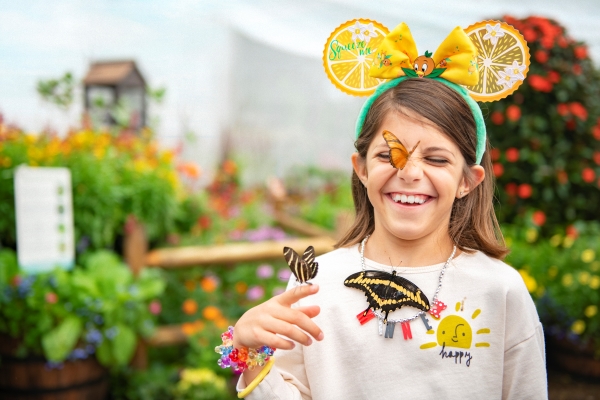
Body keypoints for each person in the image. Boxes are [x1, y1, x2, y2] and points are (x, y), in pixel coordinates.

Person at [220, 21, 547, 399]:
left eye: (437, 159)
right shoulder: (314, 284)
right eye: (389, 154)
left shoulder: (500, 290)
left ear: (467, 181)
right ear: (361, 169)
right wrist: (250, 352)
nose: (408, 173)